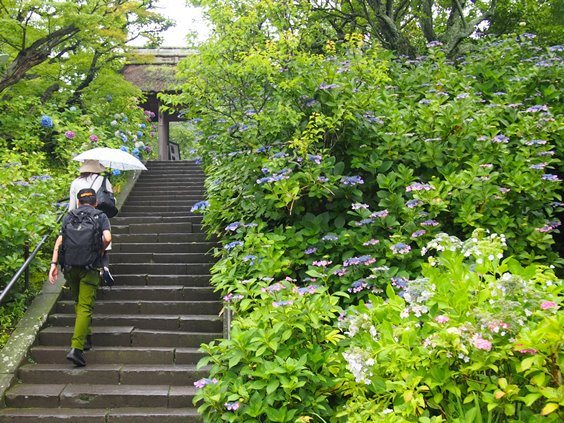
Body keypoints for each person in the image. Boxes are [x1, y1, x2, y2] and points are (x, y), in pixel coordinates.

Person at [49, 188, 112, 367]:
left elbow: (60, 240)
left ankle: (86, 337)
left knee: (78, 302)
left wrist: (53, 265)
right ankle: (76, 349)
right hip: (89, 267)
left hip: (69, 267)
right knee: (85, 306)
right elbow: (107, 237)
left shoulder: (70, 216)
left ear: (78, 202)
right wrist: (99, 250)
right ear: (96, 202)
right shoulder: (100, 216)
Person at [69, 159, 114, 285]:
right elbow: (111, 199)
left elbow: (72, 206)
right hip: (99, 217)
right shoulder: (104, 180)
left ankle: (84, 270)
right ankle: (104, 267)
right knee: (103, 244)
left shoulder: (75, 182)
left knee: (83, 243)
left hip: (80, 219)